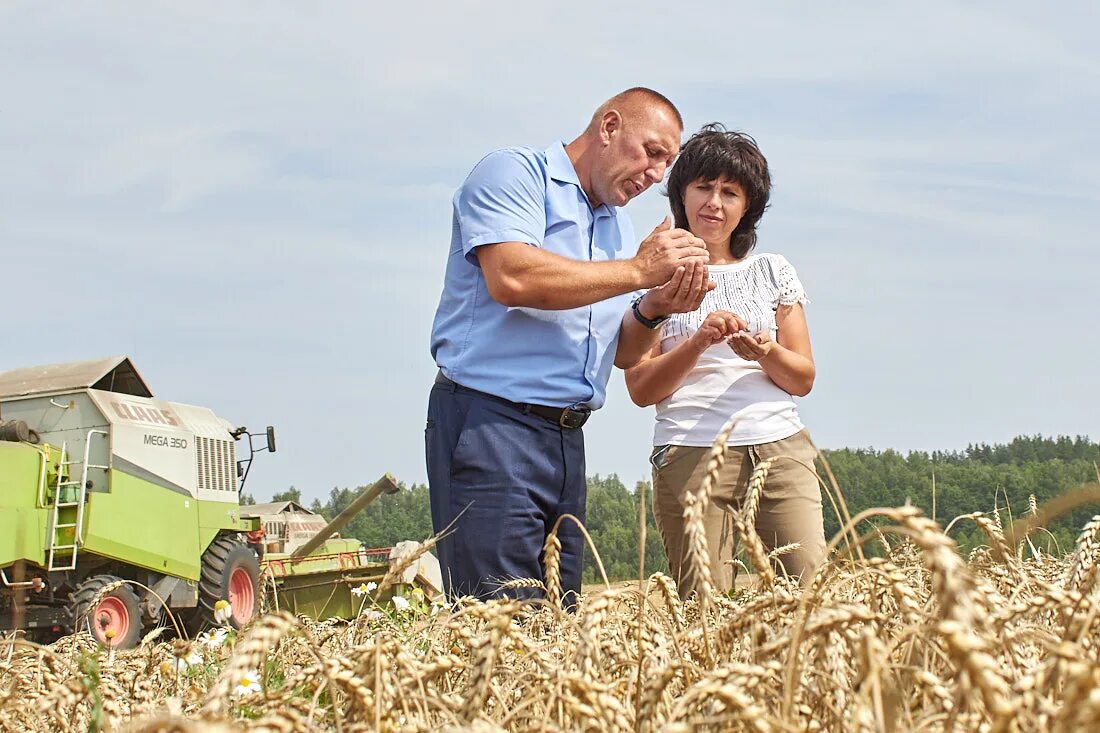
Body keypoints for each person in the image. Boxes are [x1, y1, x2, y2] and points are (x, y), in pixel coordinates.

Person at [427, 88, 713, 605]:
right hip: (491, 425)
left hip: (565, 440)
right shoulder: (514, 175)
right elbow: (510, 277)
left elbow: (625, 354)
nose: (654, 174)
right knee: (501, 621)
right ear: (609, 127)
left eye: (665, 165)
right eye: (651, 152)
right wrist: (637, 271)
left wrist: (658, 305)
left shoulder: (617, 229)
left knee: (559, 620)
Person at [624, 124, 827, 598]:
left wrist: (766, 352)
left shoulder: (772, 270)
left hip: (779, 447)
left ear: (747, 207)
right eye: (703, 187)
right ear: (681, 194)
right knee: (705, 612)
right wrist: (696, 342)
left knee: (808, 595)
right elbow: (640, 389)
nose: (714, 203)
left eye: (730, 192)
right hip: (689, 451)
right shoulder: (649, 274)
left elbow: (802, 378)